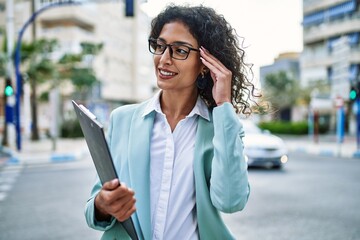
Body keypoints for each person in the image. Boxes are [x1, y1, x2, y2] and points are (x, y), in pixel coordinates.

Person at [85, 4, 259, 240]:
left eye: (180, 50)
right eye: (159, 46)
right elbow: (95, 207)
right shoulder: (123, 120)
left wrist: (224, 105)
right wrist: (103, 205)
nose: (164, 59)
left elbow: (230, 201)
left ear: (205, 64)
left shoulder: (220, 128)